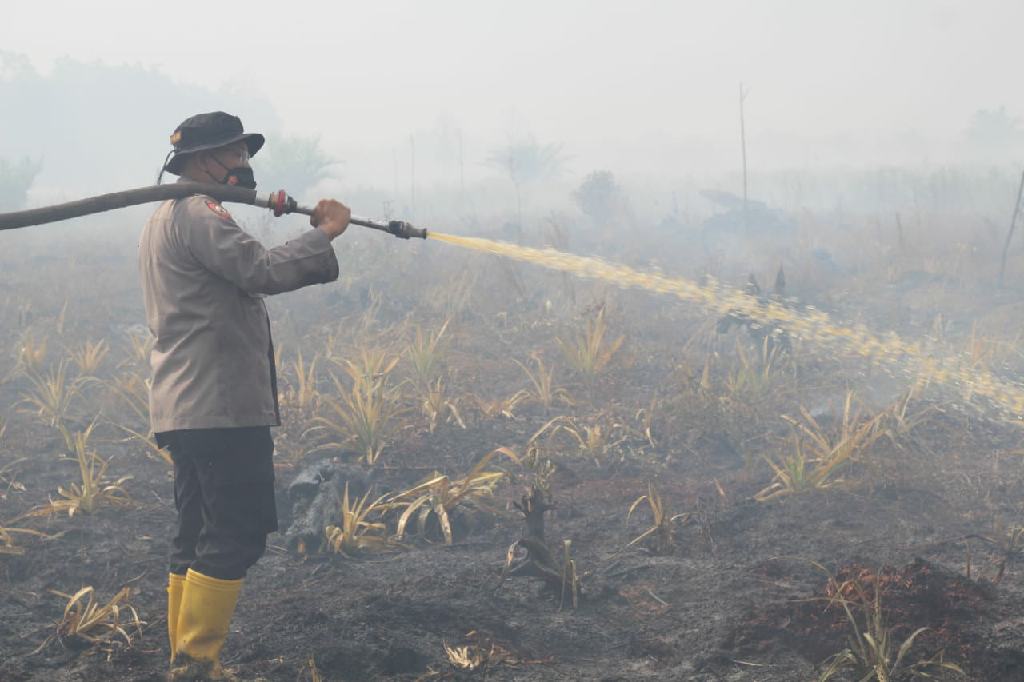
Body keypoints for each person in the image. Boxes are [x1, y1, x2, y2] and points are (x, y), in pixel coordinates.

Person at [138, 111, 350, 680]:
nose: (245, 166)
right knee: (235, 530)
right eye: (236, 156)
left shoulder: (169, 215)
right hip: (219, 407)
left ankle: (186, 661)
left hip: (187, 406)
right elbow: (258, 269)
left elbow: (235, 265)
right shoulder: (201, 214)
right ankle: (197, 663)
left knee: (198, 531)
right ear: (205, 161)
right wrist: (323, 234)